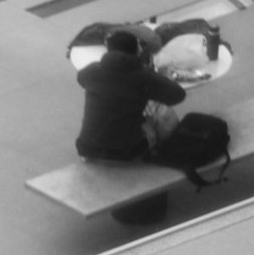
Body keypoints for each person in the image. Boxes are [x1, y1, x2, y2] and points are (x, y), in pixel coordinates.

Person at [74, 24, 189, 162]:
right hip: (126, 151)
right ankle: (164, 151)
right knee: (160, 108)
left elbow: (81, 79)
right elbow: (177, 95)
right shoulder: (144, 76)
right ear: (136, 50)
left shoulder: (92, 70)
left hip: (86, 148)